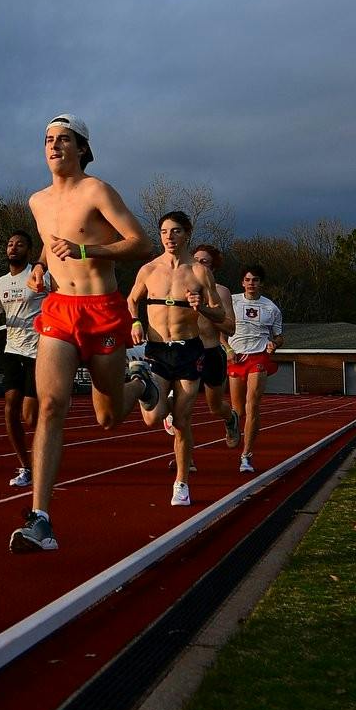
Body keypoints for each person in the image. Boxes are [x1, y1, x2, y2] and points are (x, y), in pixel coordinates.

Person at [12, 114, 155, 552]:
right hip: (58, 312)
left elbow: (140, 242)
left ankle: (140, 383)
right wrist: (39, 268)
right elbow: (47, 243)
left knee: (108, 418)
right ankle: (41, 518)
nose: (54, 146)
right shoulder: (37, 201)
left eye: (64, 140)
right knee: (51, 405)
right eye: (48, 140)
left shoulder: (97, 191)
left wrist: (86, 250)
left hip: (103, 312)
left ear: (82, 148)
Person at [126, 212, 229, 506]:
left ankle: (181, 482)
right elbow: (132, 299)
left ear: (187, 234)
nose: (169, 237)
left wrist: (203, 308)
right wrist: (135, 322)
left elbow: (220, 314)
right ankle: (156, 396)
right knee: (152, 418)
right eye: (164, 231)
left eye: (175, 231)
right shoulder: (149, 270)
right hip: (157, 350)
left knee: (183, 421)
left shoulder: (199, 272)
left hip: (188, 350)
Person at [0, 230, 53, 487]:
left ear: (29, 250)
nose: (13, 248)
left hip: (39, 351)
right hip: (12, 350)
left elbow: (58, 297)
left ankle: (46, 453)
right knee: (10, 406)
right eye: (10, 244)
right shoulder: (1, 282)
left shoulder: (39, 276)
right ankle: (26, 466)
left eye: (19, 244)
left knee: (30, 417)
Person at [163, 243, 240, 459]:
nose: (198, 264)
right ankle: (186, 462)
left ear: (212, 267)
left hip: (211, 352)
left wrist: (205, 310)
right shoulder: (179, 287)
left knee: (215, 406)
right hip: (186, 353)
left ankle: (230, 418)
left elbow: (230, 327)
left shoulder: (222, 292)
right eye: (195, 259)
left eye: (204, 261)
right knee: (183, 411)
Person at [228, 263, 285, 474]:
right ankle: (232, 425)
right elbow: (219, 327)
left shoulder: (271, 308)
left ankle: (246, 455)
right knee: (238, 410)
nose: (252, 284)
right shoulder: (232, 301)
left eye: (256, 280)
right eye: (248, 280)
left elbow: (279, 336)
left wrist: (274, 344)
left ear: (261, 283)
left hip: (259, 357)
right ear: (242, 282)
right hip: (236, 357)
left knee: (252, 405)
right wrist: (226, 349)